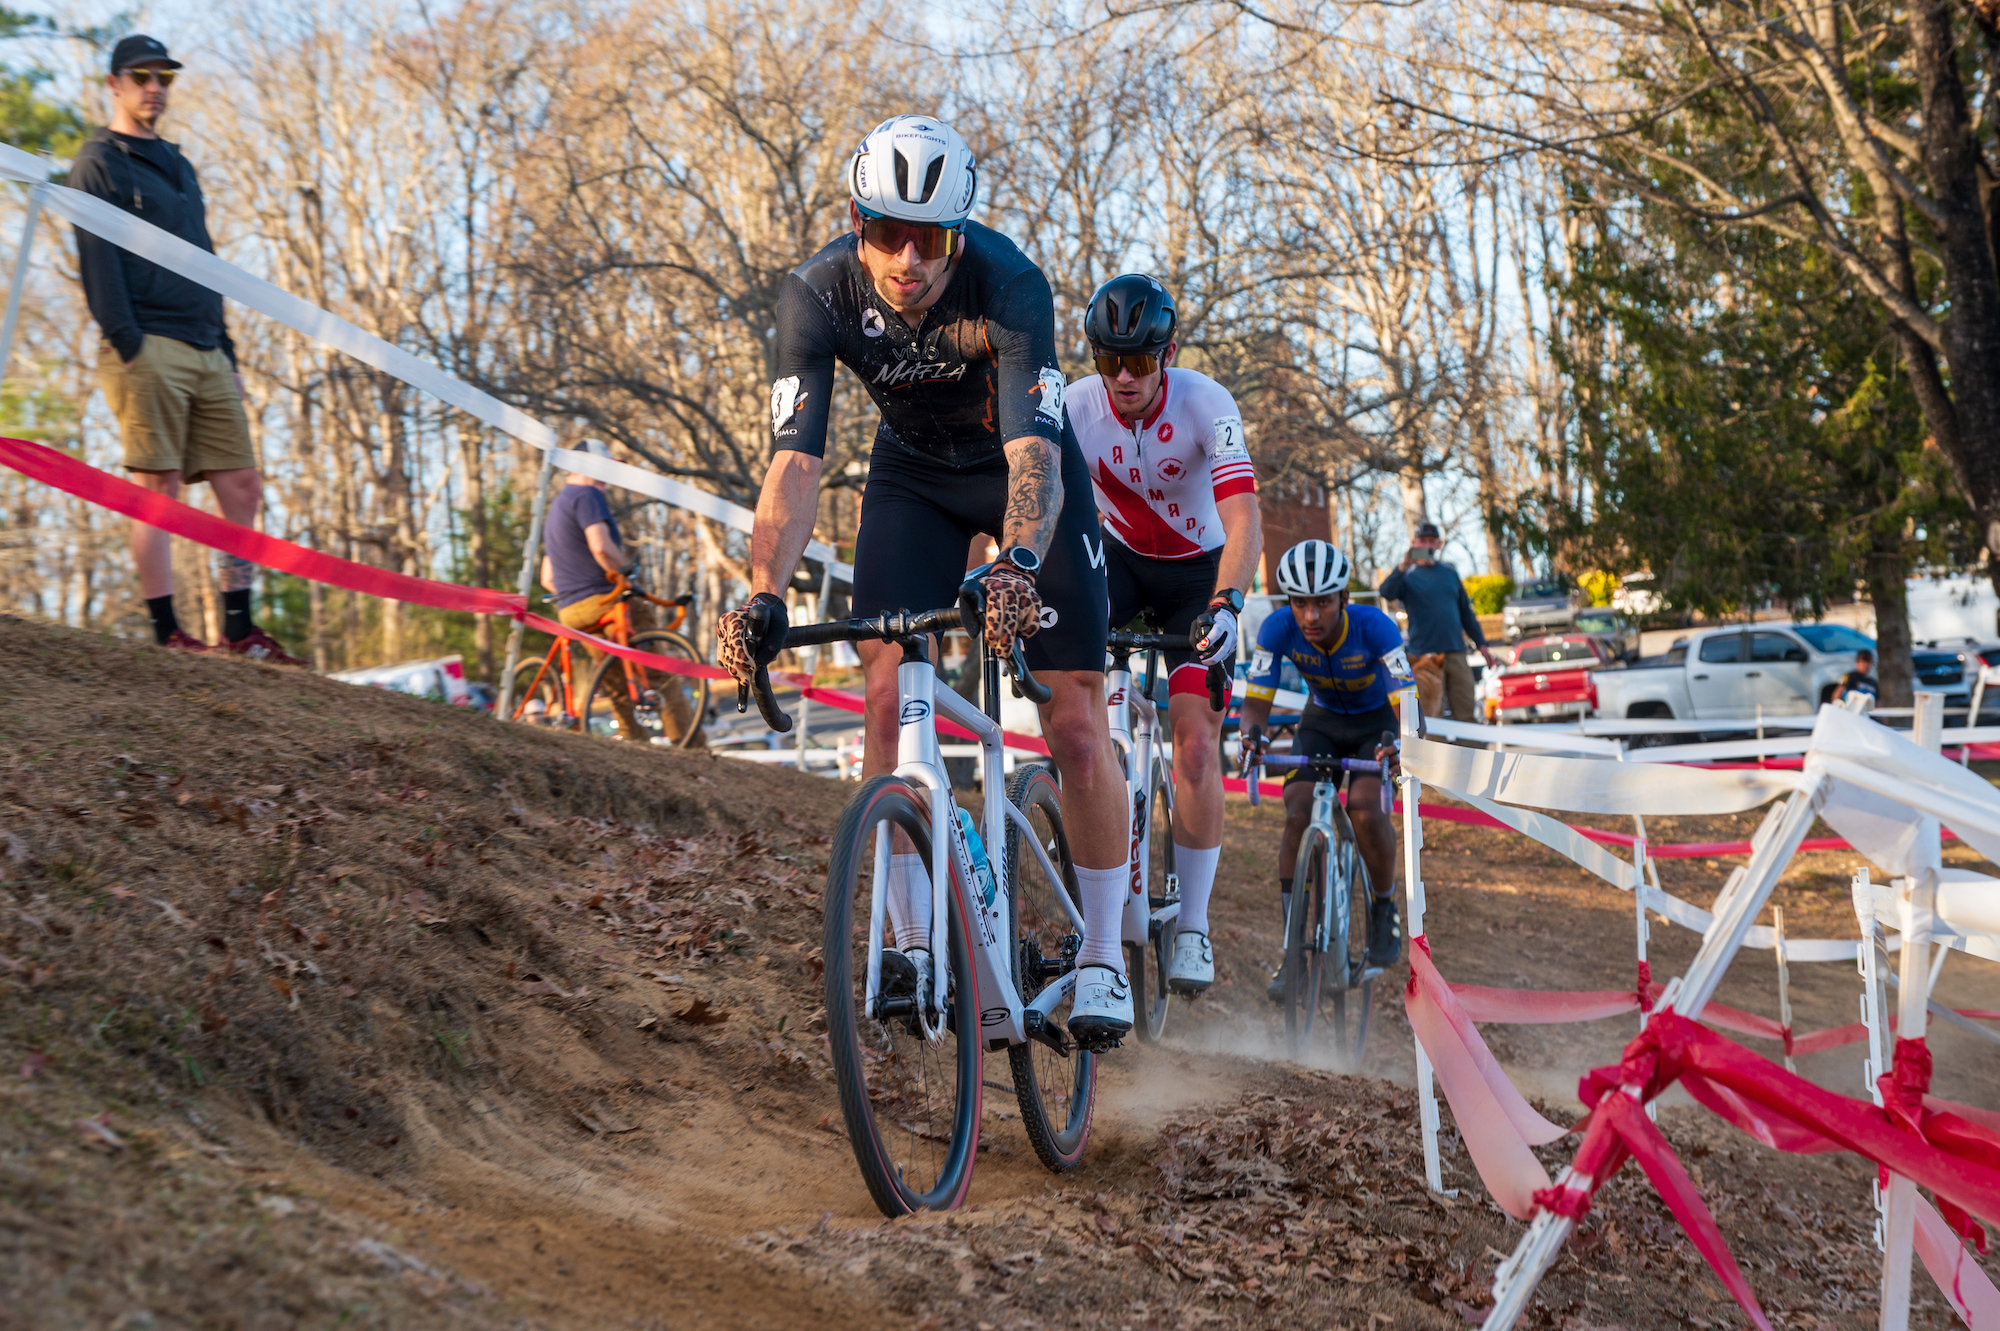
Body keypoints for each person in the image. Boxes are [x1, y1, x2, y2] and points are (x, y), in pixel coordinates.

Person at [716, 116, 1133, 1046]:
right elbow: (793, 464)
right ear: (856, 223)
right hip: (912, 478)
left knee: (1072, 716)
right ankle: (909, 938)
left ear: (958, 235)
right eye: (886, 232)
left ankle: (1102, 953)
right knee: (882, 686)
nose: (908, 258)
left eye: (932, 238)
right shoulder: (816, 294)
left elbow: (1034, 455)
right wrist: (762, 593)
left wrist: (1018, 565)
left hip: (1019, 470)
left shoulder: (1011, 283)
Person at [71, 35, 298, 664]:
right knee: (159, 488)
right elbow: (98, 260)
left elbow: (205, 260)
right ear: (114, 83)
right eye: (141, 77)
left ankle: (238, 630)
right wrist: (129, 344)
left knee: (244, 485)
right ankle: (167, 633)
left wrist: (227, 348)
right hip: (146, 344)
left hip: (207, 347)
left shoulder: (179, 163)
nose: (155, 88)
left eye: (164, 78)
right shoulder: (96, 161)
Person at [1064, 273, 1261, 996]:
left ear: (1168, 353)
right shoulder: (1074, 407)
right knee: (1082, 715)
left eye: (1140, 362)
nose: (1122, 377)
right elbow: (1042, 507)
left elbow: (1243, 518)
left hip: (1196, 577)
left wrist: (1230, 604)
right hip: (1117, 563)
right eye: (1106, 359)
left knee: (1198, 741)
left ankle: (1195, 927)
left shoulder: (1209, 403)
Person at [1237, 540, 1413, 984]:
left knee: (1365, 811)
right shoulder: (1277, 628)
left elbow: (1407, 704)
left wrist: (1403, 744)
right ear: (1288, 603)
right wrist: (1250, 735)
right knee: (1297, 811)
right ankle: (1292, 948)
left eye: (1323, 603)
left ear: (1344, 599)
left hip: (1376, 725)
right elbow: (1257, 701)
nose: (1311, 616)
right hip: (1321, 721)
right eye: (1300, 604)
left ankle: (1384, 907)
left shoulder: (1376, 627)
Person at [540, 441, 700, 745]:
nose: (606, 476)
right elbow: (600, 546)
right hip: (607, 600)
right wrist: (628, 575)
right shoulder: (588, 495)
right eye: (602, 467)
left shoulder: (556, 509)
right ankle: (692, 748)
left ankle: (634, 749)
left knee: (615, 684)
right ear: (582, 465)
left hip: (571, 610)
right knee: (658, 675)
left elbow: (547, 578)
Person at [1377, 521, 1494, 723]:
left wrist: (1482, 645)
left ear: (1438, 544)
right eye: (1422, 541)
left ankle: (1468, 755)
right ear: (1414, 544)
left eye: (1431, 541)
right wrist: (1402, 566)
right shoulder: (1407, 575)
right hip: (1424, 656)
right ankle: (1435, 755)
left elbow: (1466, 612)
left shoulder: (1449, 573)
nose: (1427, 545)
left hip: (1455, 651)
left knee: (1465, 712)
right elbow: (1386, 592)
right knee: (1432, 715)